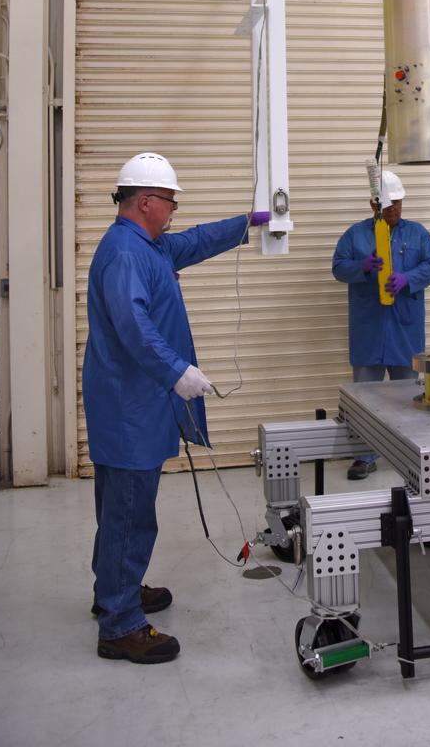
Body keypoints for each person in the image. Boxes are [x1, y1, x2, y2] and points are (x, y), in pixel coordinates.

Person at [83, 151, 269, 665]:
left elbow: (195, 242)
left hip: (135, 404)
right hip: (129, 407)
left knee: (121, 509)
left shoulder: (150, 246)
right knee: (128, 512)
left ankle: (114, 591)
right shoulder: (125, 253)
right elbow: (133, 324)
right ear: (145, 201)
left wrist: (249, 223)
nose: (174, 211)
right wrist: (177, 371)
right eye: (169, 201)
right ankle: (120, 625)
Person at [331, 169, 430, 479]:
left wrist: (408, 279)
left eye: (398, 204)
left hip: (405, 328)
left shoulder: (418, 234)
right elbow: (338, 267)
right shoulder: (356, 235)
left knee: (410, 395)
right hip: (369, 327)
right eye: (388, 205)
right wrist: (362, 268)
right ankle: (364, 456)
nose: (394, 210)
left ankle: (413, 452)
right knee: (366, 396)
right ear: (373, 205)